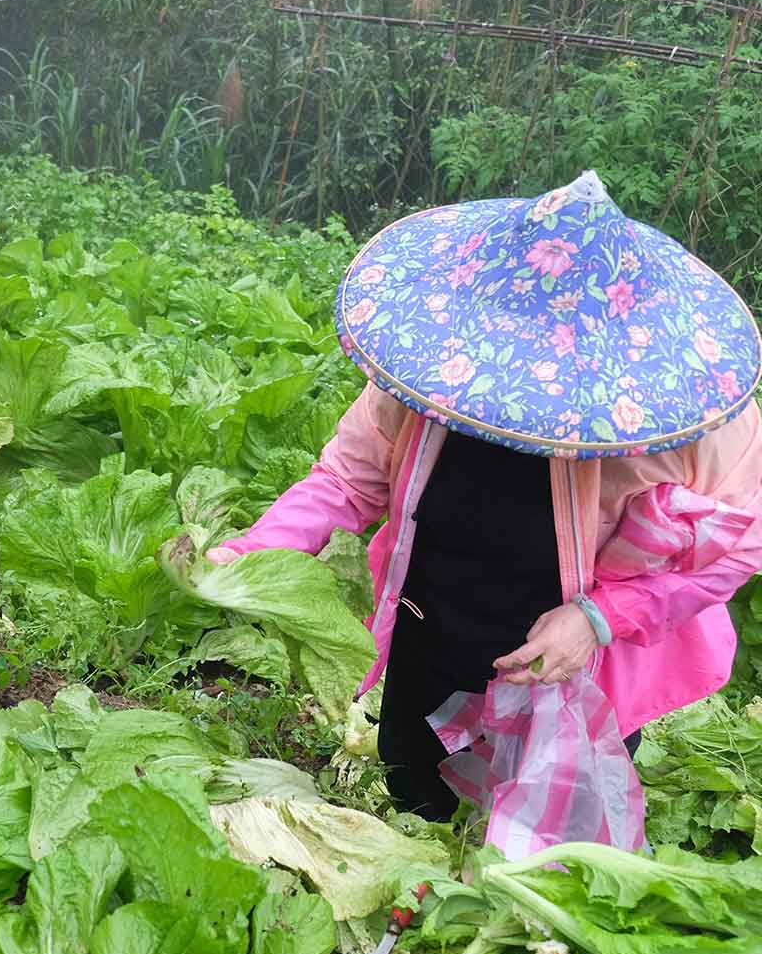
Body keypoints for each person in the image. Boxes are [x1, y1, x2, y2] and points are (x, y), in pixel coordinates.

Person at [207, 171, 762, 822]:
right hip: (433, 629)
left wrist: (598, 618)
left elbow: (738, 545)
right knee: (417, 799)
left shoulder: (685, 419)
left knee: (549, 839)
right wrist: (251, 553)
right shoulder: (433, 372)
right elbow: (346, 482)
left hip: (574, 670)